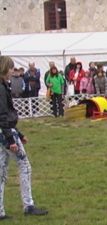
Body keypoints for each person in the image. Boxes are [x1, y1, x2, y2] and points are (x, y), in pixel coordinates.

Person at [0, 56, 48, 219]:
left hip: (4, 132)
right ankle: (28, 205)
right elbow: (3, 115)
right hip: (5, 134)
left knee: (2, 172)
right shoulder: (1, 88)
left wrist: (18, 133)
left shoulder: (2, 86)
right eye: (11, 68)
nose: (13, 71)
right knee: (25, 167)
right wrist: (12, 139)